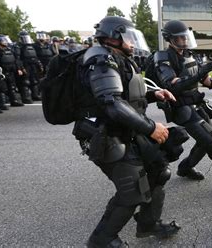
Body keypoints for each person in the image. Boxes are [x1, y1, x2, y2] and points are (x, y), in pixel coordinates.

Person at [77, 16, 181, 247]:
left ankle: (147, 224)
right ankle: (102, 240)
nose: (133, 43)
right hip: (105, 135)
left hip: (126, 130)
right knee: (132, 189)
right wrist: (151, 128)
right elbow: (112, 103)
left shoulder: (119, 58)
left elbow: (128, 97)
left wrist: (154, 95)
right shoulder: (101, 60)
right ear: (114, 37)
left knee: (158, 171)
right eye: (129, 38)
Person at [154, 20, 212, 183]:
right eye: (180, 38)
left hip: (196, 104)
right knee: (211, 140)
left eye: (186, 37)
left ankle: (185, 167)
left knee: (205, 140)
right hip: (181, 107)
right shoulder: (163, 57)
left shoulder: (188, 55)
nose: (184, 40)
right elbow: (173, 86)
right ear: (170, 39)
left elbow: (206, 80)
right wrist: (199, 74)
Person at [0, 35, 24, 107]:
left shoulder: (8, 49)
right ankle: (2, 104)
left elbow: (14, 59)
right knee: (2, 88)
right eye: (3, 41)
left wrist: (18, 69)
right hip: (2, 71)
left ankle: (14, 101)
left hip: (10, 71)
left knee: (12, 87)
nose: (5, 43)